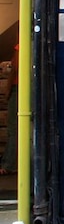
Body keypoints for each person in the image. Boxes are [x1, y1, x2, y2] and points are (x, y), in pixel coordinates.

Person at [0, 43, 18, 175]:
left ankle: (9, 164)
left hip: (18, 88)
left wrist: (7, 89)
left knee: (13, 128)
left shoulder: (20, 47)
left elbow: (15, 69)